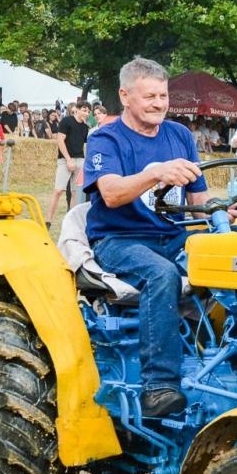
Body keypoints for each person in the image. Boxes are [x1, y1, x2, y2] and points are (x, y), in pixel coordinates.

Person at [82, 57, 206, 418]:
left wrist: (221, 213)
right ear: (125, 96)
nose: (158, 103)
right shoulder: (106, 139)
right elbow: (111, 194)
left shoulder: (179, 135)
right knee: (160, 274)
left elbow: (199, 202)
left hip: (174, 237)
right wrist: (155, 173)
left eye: (163, 96)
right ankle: (159, 386)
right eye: (149, 96)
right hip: (120, 240)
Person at [47, 103, 89, 224]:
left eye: (88, 111)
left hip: (80, 160)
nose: (86, 113)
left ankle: (71, 221)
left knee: (76, 193)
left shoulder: (85, 127)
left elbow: (84, 144)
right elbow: (60, 140)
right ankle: (48, 220)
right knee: (58, 190)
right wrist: (68, 159)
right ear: (77, 110)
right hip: (65, 160)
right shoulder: (66, 121)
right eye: (84, 110)